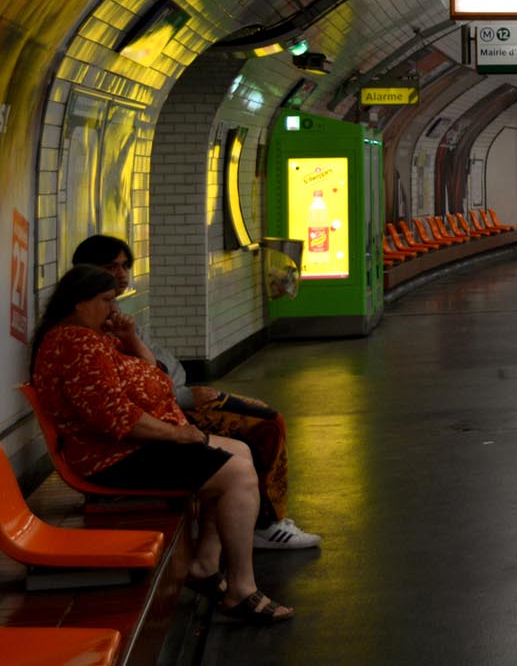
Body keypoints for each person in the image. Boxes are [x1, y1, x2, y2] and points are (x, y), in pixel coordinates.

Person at [29, 265, 294, 623]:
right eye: (107, 300)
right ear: (79, 302)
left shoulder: (92, 336)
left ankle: (205, 564)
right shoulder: (76, 345)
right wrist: (178, 434)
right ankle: (242, 589)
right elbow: (116, 417)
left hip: (133, 443)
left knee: (240, 451)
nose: (113, 310)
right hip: (115, 455)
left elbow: (153, 375)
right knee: (237, 475)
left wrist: (130, 338)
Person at [70, 235, 320, 552]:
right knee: (265, 426)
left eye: (125, 266)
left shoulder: (114, 319)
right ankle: (265, 524)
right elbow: (135, 394)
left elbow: (157, 369)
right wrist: (183, 401)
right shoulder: (85, 337)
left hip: (174, 401)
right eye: (110, 267)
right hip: (164, 416)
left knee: (266, 417)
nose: (121, 275)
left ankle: (247, 529)